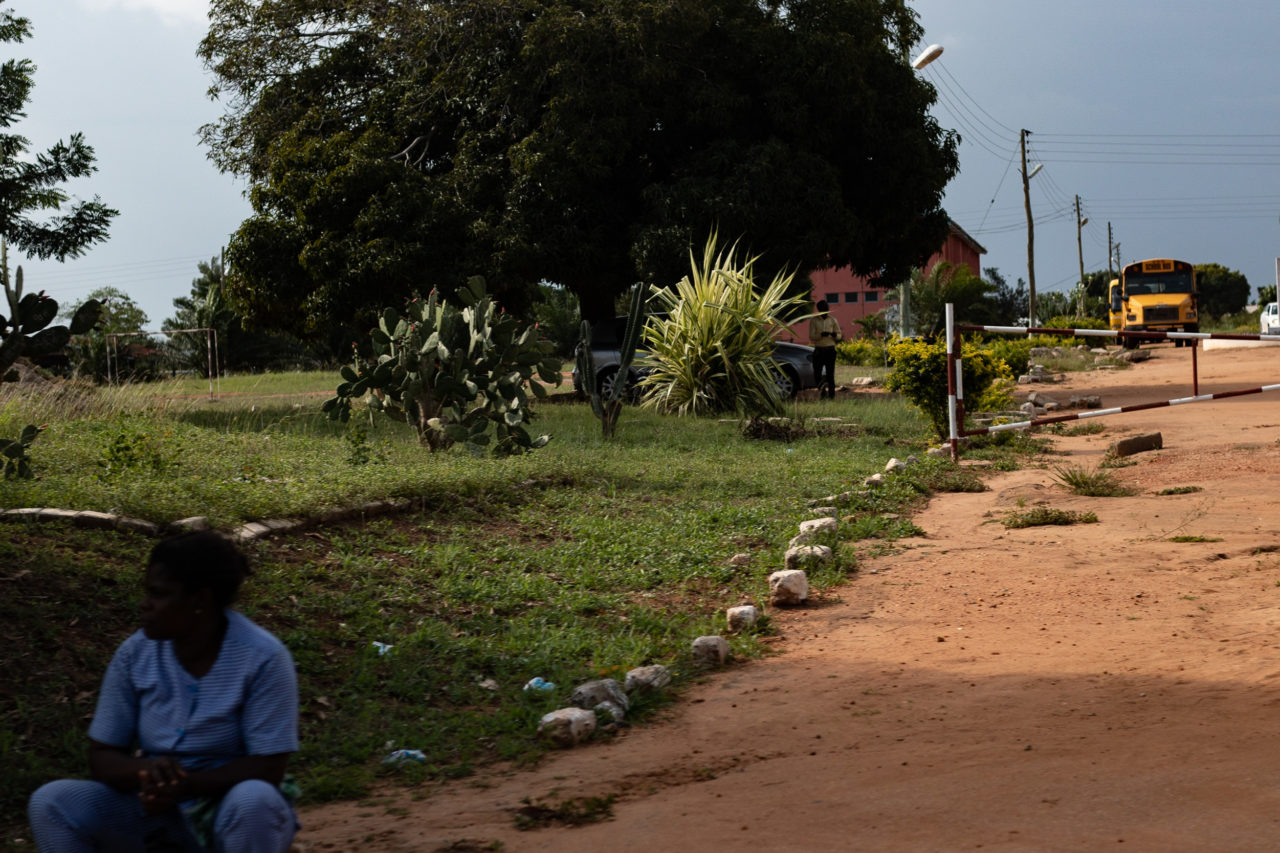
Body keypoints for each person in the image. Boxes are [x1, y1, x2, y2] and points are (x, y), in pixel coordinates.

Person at [28, 531, 300, 853]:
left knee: (255, 800)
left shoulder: (262, 657)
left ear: (200, 600)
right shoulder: (134, 654)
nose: (145, 605)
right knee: (52, 802)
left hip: (227, 810)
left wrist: (185, 786)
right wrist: (146, 773)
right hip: (154, 810)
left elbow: (268, 767)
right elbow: (102, 757)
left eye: (158, 594)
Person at [808, 300, 842, 399]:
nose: (825, 310)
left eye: (826, 308)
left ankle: (831, 396)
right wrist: (820, 335)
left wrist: (835, 335)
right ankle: (822, 393)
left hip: (830, 350)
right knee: (817, 374)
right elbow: (812, 336)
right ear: (819, 309)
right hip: (819, 350)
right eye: (823, 309)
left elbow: (839, 335)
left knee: (830, 374)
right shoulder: (814, 321)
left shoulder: (833, 320)